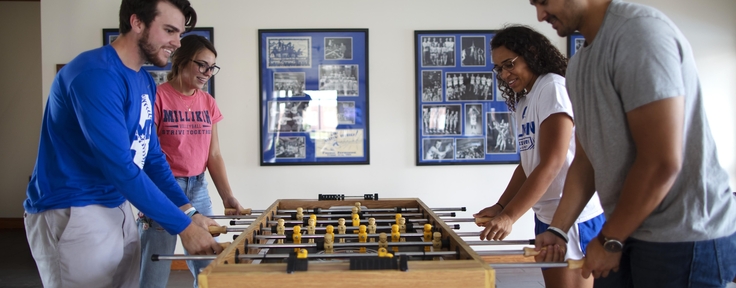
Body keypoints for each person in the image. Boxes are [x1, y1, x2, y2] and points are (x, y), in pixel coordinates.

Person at [530, 0, 736, 287]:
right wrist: (559, 230)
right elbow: (586, 159)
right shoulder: (579, 65)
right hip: (625, 232)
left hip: (682, 236)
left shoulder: (638, 33)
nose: (540, 15)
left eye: (544, 1)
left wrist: (609, 239)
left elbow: (661, 162)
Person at [22, 1, 224, 287]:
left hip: (116, 204)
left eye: (179, 33)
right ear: (137, 23)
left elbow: (151, 156)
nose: (177, 43)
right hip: (74, 207)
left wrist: (188, 211)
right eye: (169, 30)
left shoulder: (143, 80)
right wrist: (183, 227)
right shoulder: (95, 74)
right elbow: (120, 166)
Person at [473, 25, 605, 288]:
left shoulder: (552, 87)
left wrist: (510, 216)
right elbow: (527, 165)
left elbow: (552, 163)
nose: (505, 73)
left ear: (531, 53)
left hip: (572, 216)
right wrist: (501, 207)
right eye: (499, 68)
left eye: (509, 64)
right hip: (546, 214)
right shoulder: (524, 100)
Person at [139, 34, 246, 288]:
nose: (208, 72)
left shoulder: (208, 102)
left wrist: (227, 195)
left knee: (210, 267)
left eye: (212, 68)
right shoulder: (157, 98)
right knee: (156, 266)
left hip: (198, 188)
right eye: (202, 65)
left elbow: (214, 155)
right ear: (182, 59)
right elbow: (148, 156)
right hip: (165, 190)